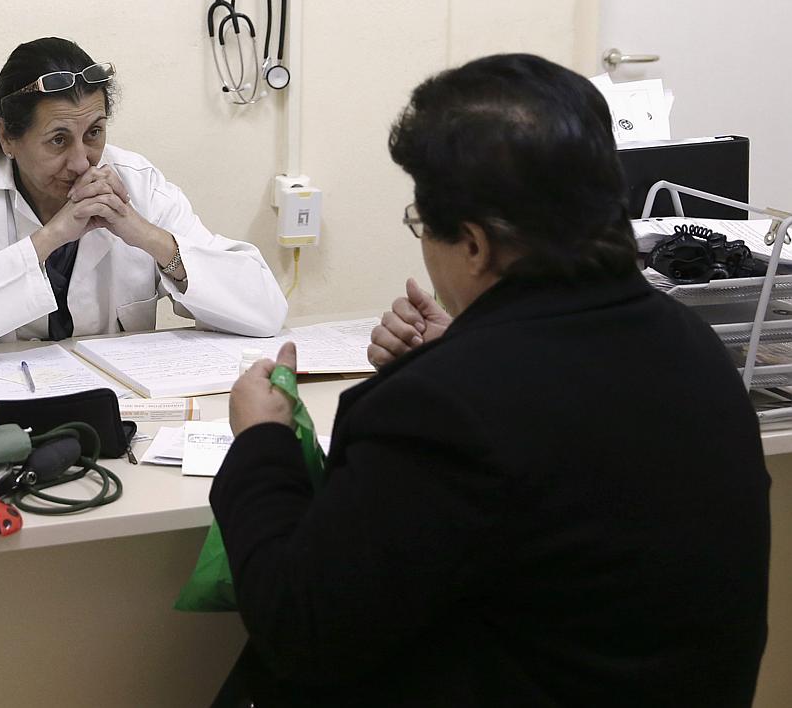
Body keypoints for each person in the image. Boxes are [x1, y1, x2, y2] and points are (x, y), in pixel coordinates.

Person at [212, 54, 770, 707]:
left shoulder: (442, 409)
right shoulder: (694, 347)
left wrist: (261, 443)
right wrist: (464, 353)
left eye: (422, 224)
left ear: (474, 245)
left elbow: (300, 629)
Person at [0, 37, 287, 343]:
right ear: (7, 135)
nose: (82, 163)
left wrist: (144, 234)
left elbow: (266, 312)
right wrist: (50, 238)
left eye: (94, 133)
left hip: (115, 405)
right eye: (58, 140)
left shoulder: (137, 183)